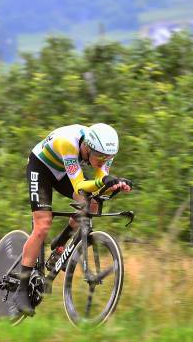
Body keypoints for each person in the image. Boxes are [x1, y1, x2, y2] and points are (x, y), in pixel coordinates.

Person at [15, 123, 132, 315]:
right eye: (101, 157)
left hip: (63, 173)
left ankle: (61, 240)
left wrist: (116, 185)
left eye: (109, 158)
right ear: (87, 147)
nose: (104, 162)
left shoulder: (103, 151)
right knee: (42, 225)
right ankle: (21, 288)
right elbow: (79, 185)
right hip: (41, 168)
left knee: (92, 203)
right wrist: (103, 182)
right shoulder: (68, 143)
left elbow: (100, 183)